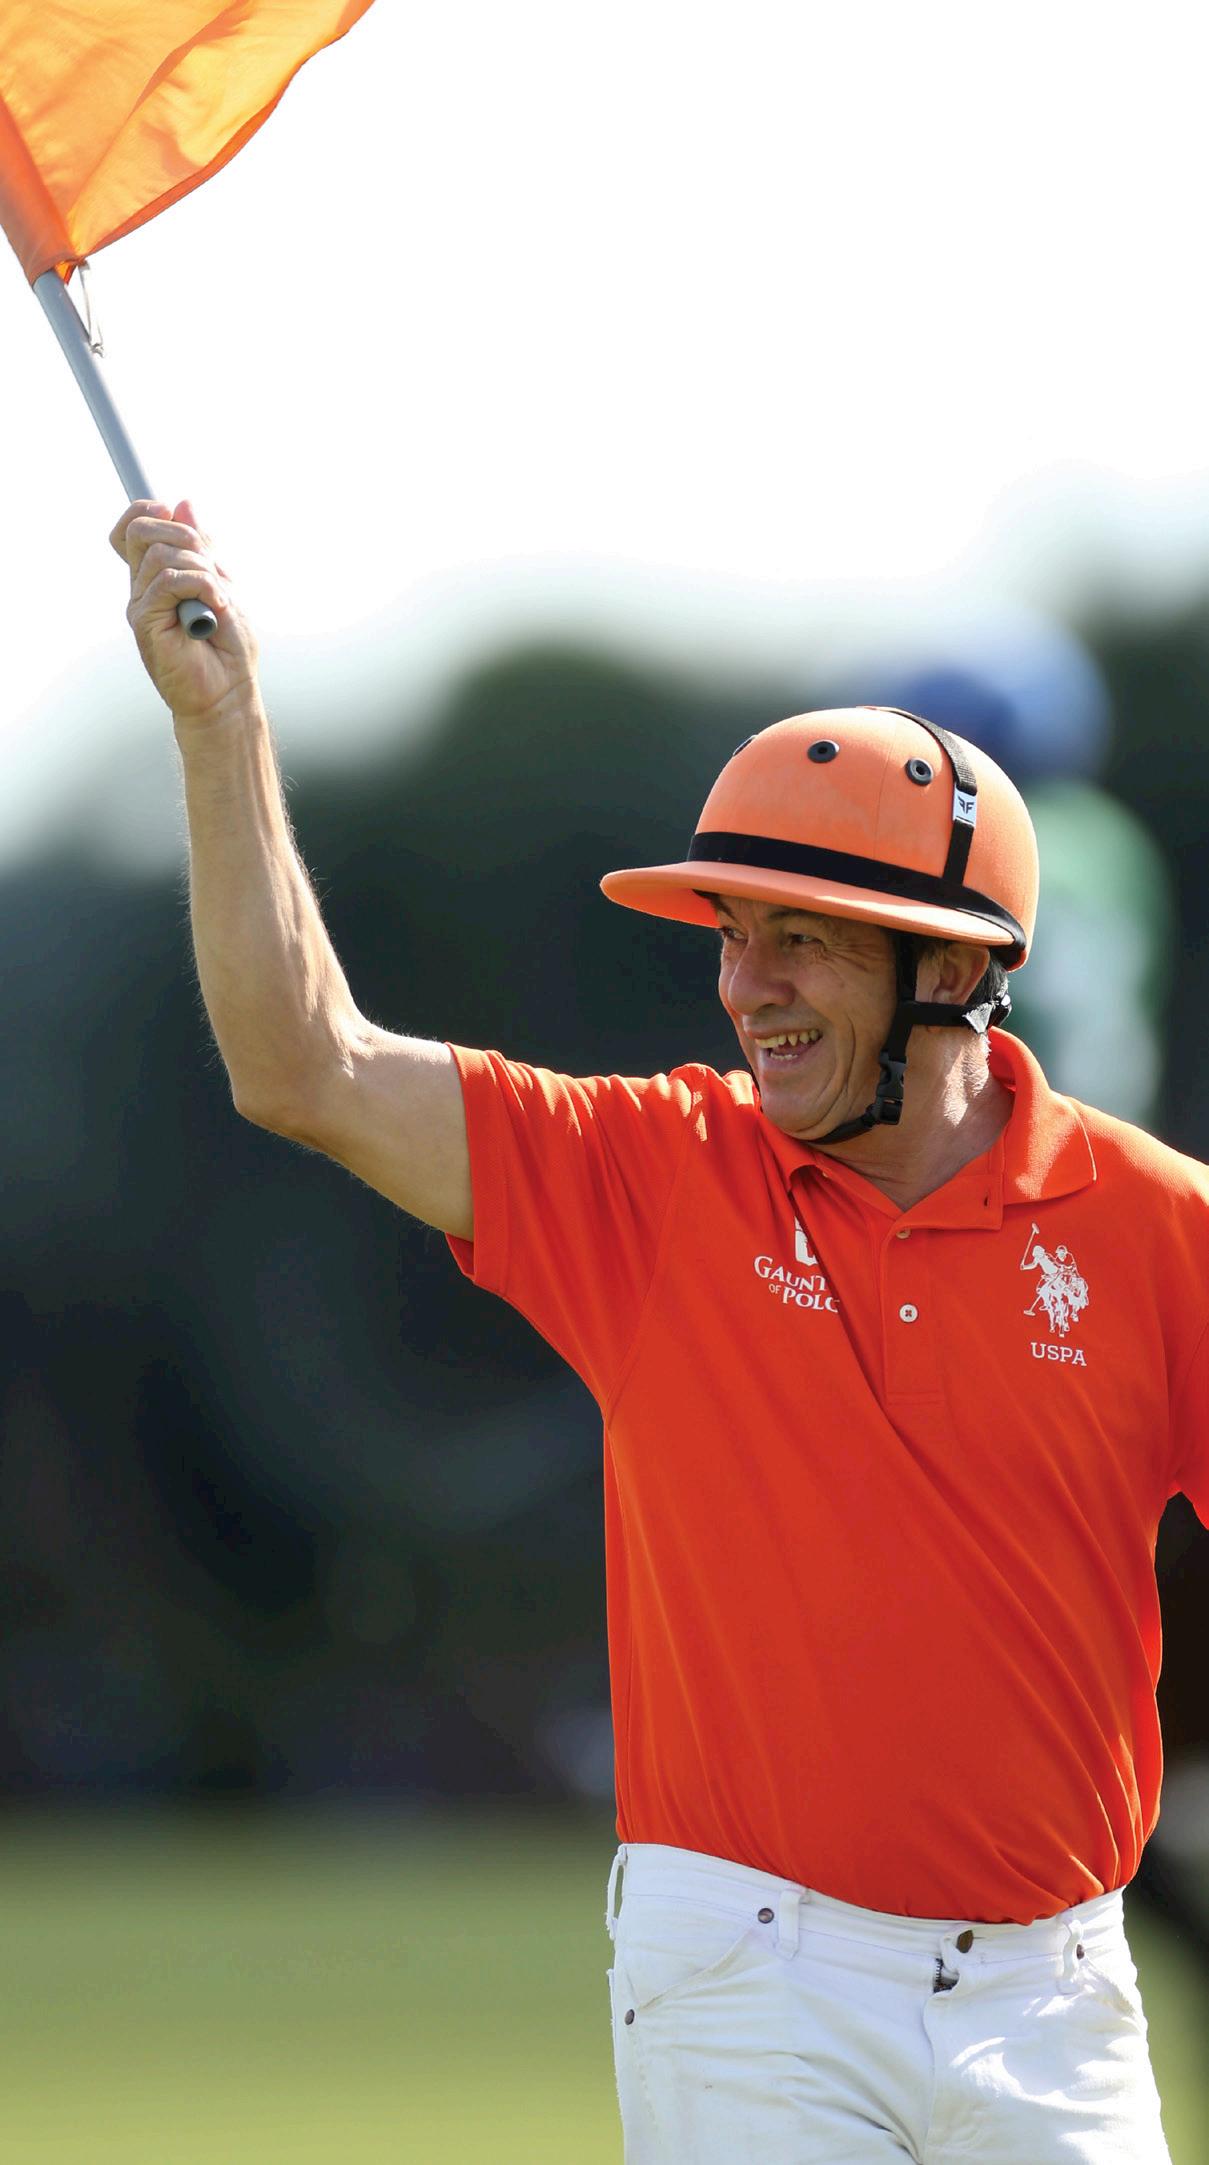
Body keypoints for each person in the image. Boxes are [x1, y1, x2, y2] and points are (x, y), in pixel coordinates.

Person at [112, 500, 1208, 2164]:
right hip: (751, 1982)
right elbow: (304, 1063)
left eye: (797, 938)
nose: (743, 985)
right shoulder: (648, 1172)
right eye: (731, 937)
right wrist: (223, 722)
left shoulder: (1155, 1227)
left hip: (1055, 1999)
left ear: (946, 965)